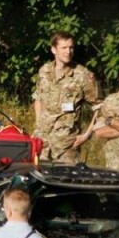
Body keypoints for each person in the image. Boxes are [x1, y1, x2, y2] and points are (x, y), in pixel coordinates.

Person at [31, 32, 101, 163]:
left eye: (71, 47)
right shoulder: (44, 71)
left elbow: (100, 108)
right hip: (42, 144)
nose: (68, 52)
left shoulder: (83, 75)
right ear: (53, 49)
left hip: (66, 147)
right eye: (64, 48)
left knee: (64, 182)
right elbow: (38, 98)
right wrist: (38, 125)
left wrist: (86, 135)